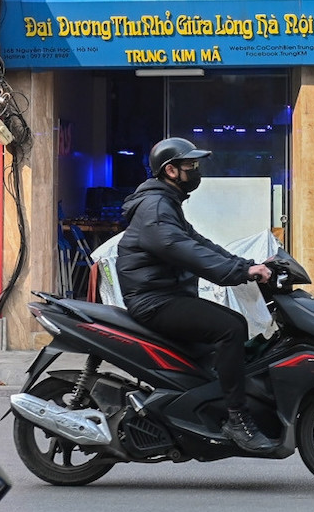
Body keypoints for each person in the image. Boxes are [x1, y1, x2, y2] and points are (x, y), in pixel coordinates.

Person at [116, 137, 278, 454]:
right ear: (171, 171)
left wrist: (247, 265)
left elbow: (200, 243)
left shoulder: (165, 203)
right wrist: (237, 274)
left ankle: (201, 407)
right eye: (191, 165)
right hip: (154, 300)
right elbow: (184, 251)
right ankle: (236, 420)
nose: (196, 170)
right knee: (231, 327)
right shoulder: (156, 208)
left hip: (166, 294)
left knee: (219, 340)